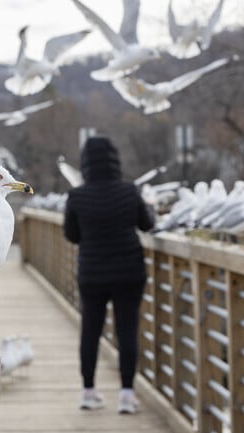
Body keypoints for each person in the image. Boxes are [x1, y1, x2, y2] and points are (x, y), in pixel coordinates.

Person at [63, 136, 154, 415]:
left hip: (92, 273)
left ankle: (88, 392)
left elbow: (71, 235)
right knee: (127, 331)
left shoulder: (77, 196)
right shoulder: (128, 191)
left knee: (90, 331)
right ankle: (127, 394)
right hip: (129, 271)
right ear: (115, 161)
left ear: (85, 164)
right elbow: (147, 224)